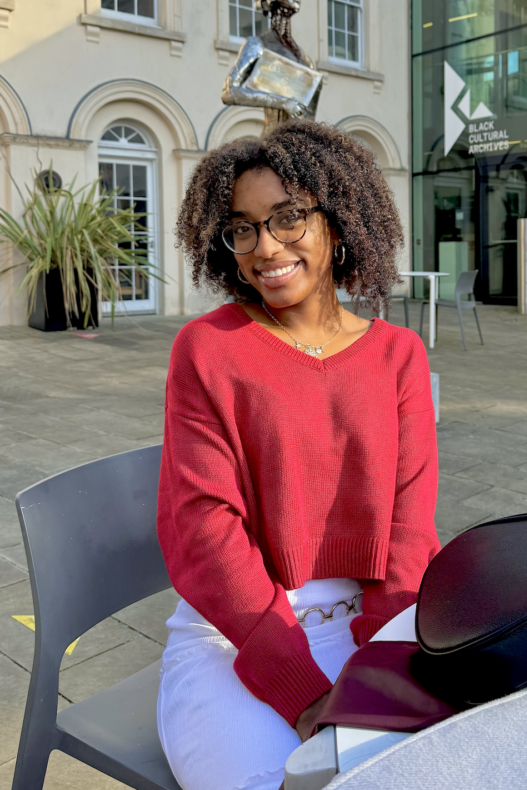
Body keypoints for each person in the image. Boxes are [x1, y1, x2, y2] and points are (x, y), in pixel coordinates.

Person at [156, 120, 440, 790]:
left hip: (377, 629)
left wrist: (380, 665)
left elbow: (408, 529)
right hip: (233, 640)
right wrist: (303, 691)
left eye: (287, 218)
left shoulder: (398, 355)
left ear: (337, 224)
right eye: (243, 227)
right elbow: (204, 534)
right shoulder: (208, 350)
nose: (264, 247)